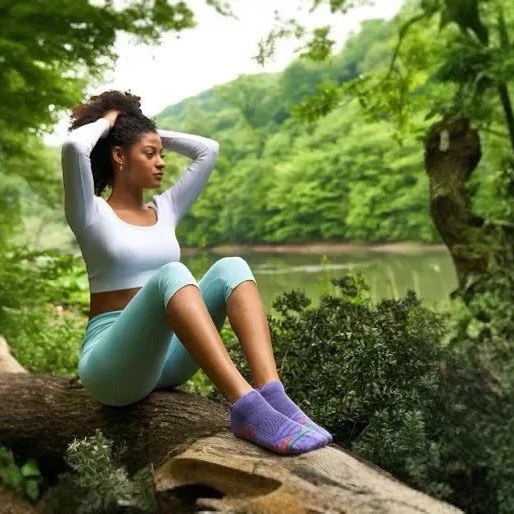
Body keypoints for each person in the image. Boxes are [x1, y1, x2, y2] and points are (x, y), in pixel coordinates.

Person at [58, 91, 330, 455]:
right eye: (149, 154)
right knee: (173, 273)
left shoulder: (165, 209)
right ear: (119, 156)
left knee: (231, 267)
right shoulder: (90, 213)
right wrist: (112, 123)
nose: (161, 163)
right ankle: (246, 408)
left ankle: (272, 394)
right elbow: (75, 148)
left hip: (166, 360)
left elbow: (208, 150)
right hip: (113, 368)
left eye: (162, 154)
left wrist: (147, 132)